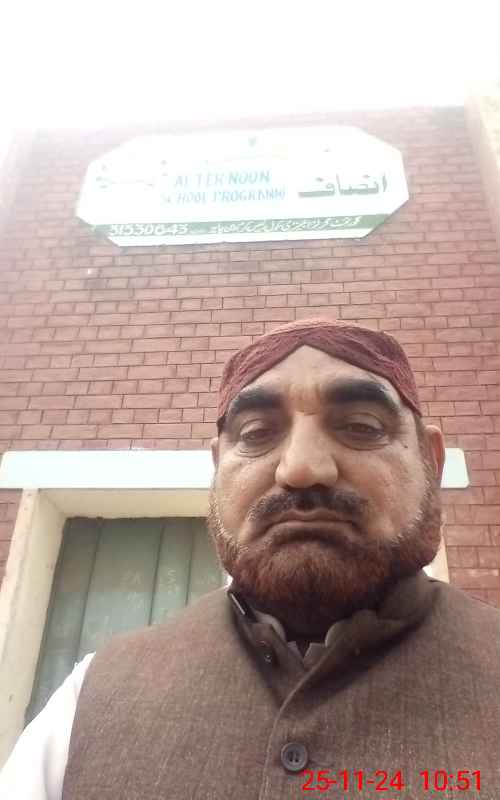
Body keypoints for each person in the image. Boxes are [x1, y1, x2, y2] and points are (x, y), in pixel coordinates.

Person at [1, 316, 500, 800]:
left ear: (431, 462)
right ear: (218, 469)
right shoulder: (91, 695)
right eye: (257, 432)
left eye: (362, 426)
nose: (302, 468)